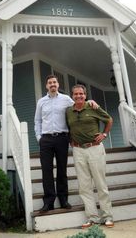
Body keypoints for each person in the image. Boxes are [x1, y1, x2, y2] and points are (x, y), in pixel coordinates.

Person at [34, 75, 98, 212]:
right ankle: (49, 201)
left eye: (54, 82)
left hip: (62, 138)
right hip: (46, 139)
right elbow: (37, 121)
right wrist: (39, 137)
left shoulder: (66, 99)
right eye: (50, 82)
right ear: (46, 86)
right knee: (47, 171)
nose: (52, 84)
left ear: (58, 85)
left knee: (62, 170)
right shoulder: (41, 102)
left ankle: (63, 199)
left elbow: (79, 105)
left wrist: (90, 101)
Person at [66, 84, 114, 228]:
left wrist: (104, 134)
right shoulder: (69, 111)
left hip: (95, 148)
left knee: (100, 183)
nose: (79, 96)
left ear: (85, 95)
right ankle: (92, 217)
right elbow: (68, 128)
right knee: (84, 186)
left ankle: (107, 216)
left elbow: (109, 119)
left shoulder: (93, 107)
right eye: (76, 94)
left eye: (81, 94)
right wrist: (71, 141)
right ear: (72, 96)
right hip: (78, 150)